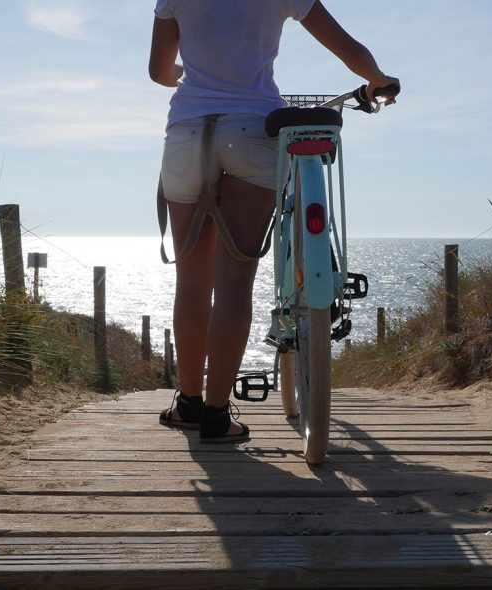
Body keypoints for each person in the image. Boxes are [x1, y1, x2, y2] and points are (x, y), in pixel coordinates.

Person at [150, 0, 399, 443]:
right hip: (251, 131)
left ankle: (187, 405)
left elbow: (158, 70)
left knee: (191, 281)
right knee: (233, 282)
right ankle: (214, 415)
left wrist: (185, 76)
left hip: (187, 134)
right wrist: (379, 81)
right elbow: (349, 49)